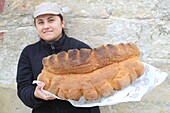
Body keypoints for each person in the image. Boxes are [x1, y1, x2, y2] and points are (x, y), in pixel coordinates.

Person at [16, 2, 100, 113]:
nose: (46, 26)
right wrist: (35, 94)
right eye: (40, 22)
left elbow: (96, 84)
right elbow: (23, 88)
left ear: (62, 23)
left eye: (51, 20)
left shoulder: (81, 49)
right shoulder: (29, 53)